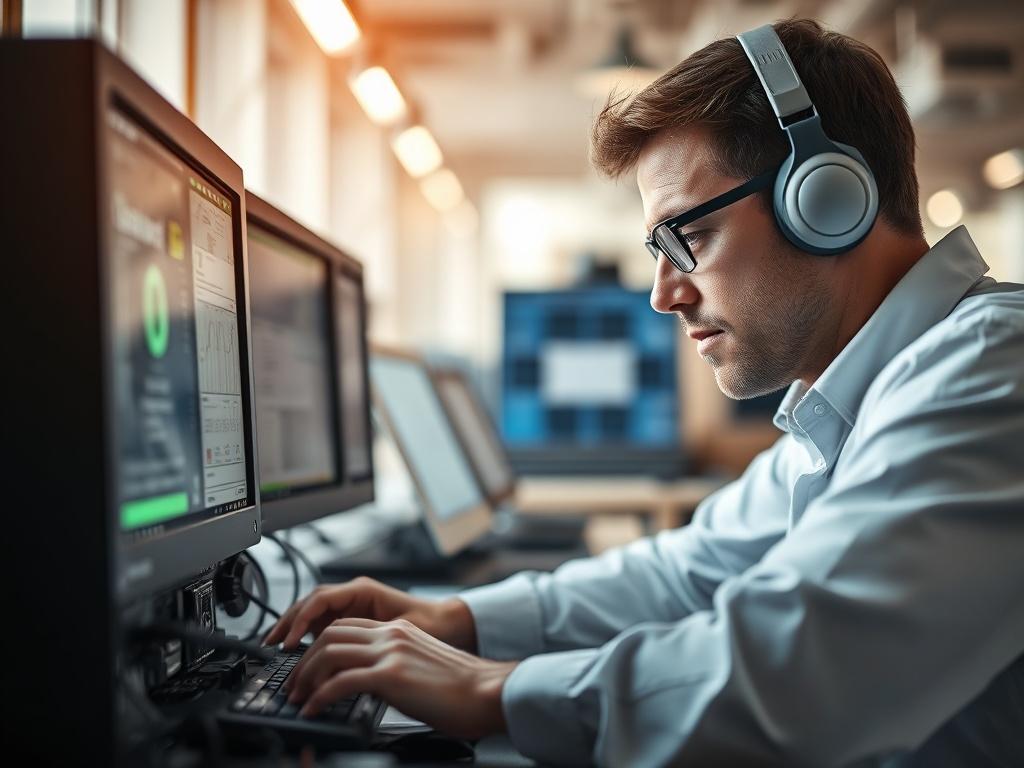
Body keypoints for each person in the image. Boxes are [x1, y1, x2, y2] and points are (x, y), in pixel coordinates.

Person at [263, 19, 1024, 766]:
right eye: (656, 250)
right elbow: (688, 570)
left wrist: (498, 690)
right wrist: (455, 620)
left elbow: (805, 671)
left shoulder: (994, 369)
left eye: (686, 238)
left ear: (825, 201)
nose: (663, 295)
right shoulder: (857, 406)